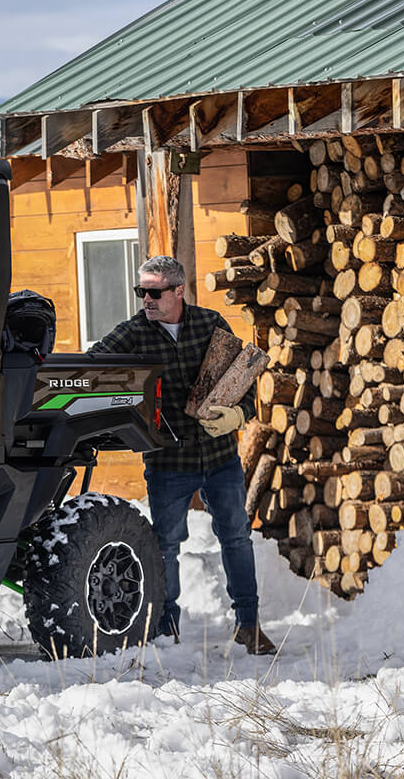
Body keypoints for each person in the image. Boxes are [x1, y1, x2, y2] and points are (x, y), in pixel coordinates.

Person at [88, 255, 276, 655]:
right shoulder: (133, 333)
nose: (146, 299)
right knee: (166, 545)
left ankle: (249, 625)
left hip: (220, 458)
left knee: (236, 537)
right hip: (168, 462)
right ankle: (165, 627)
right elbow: (93, 366)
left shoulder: (211, 325)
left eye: (154, 292)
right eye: (141, 291)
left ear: (178, 291)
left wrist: (238, 416)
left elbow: (245, 383)